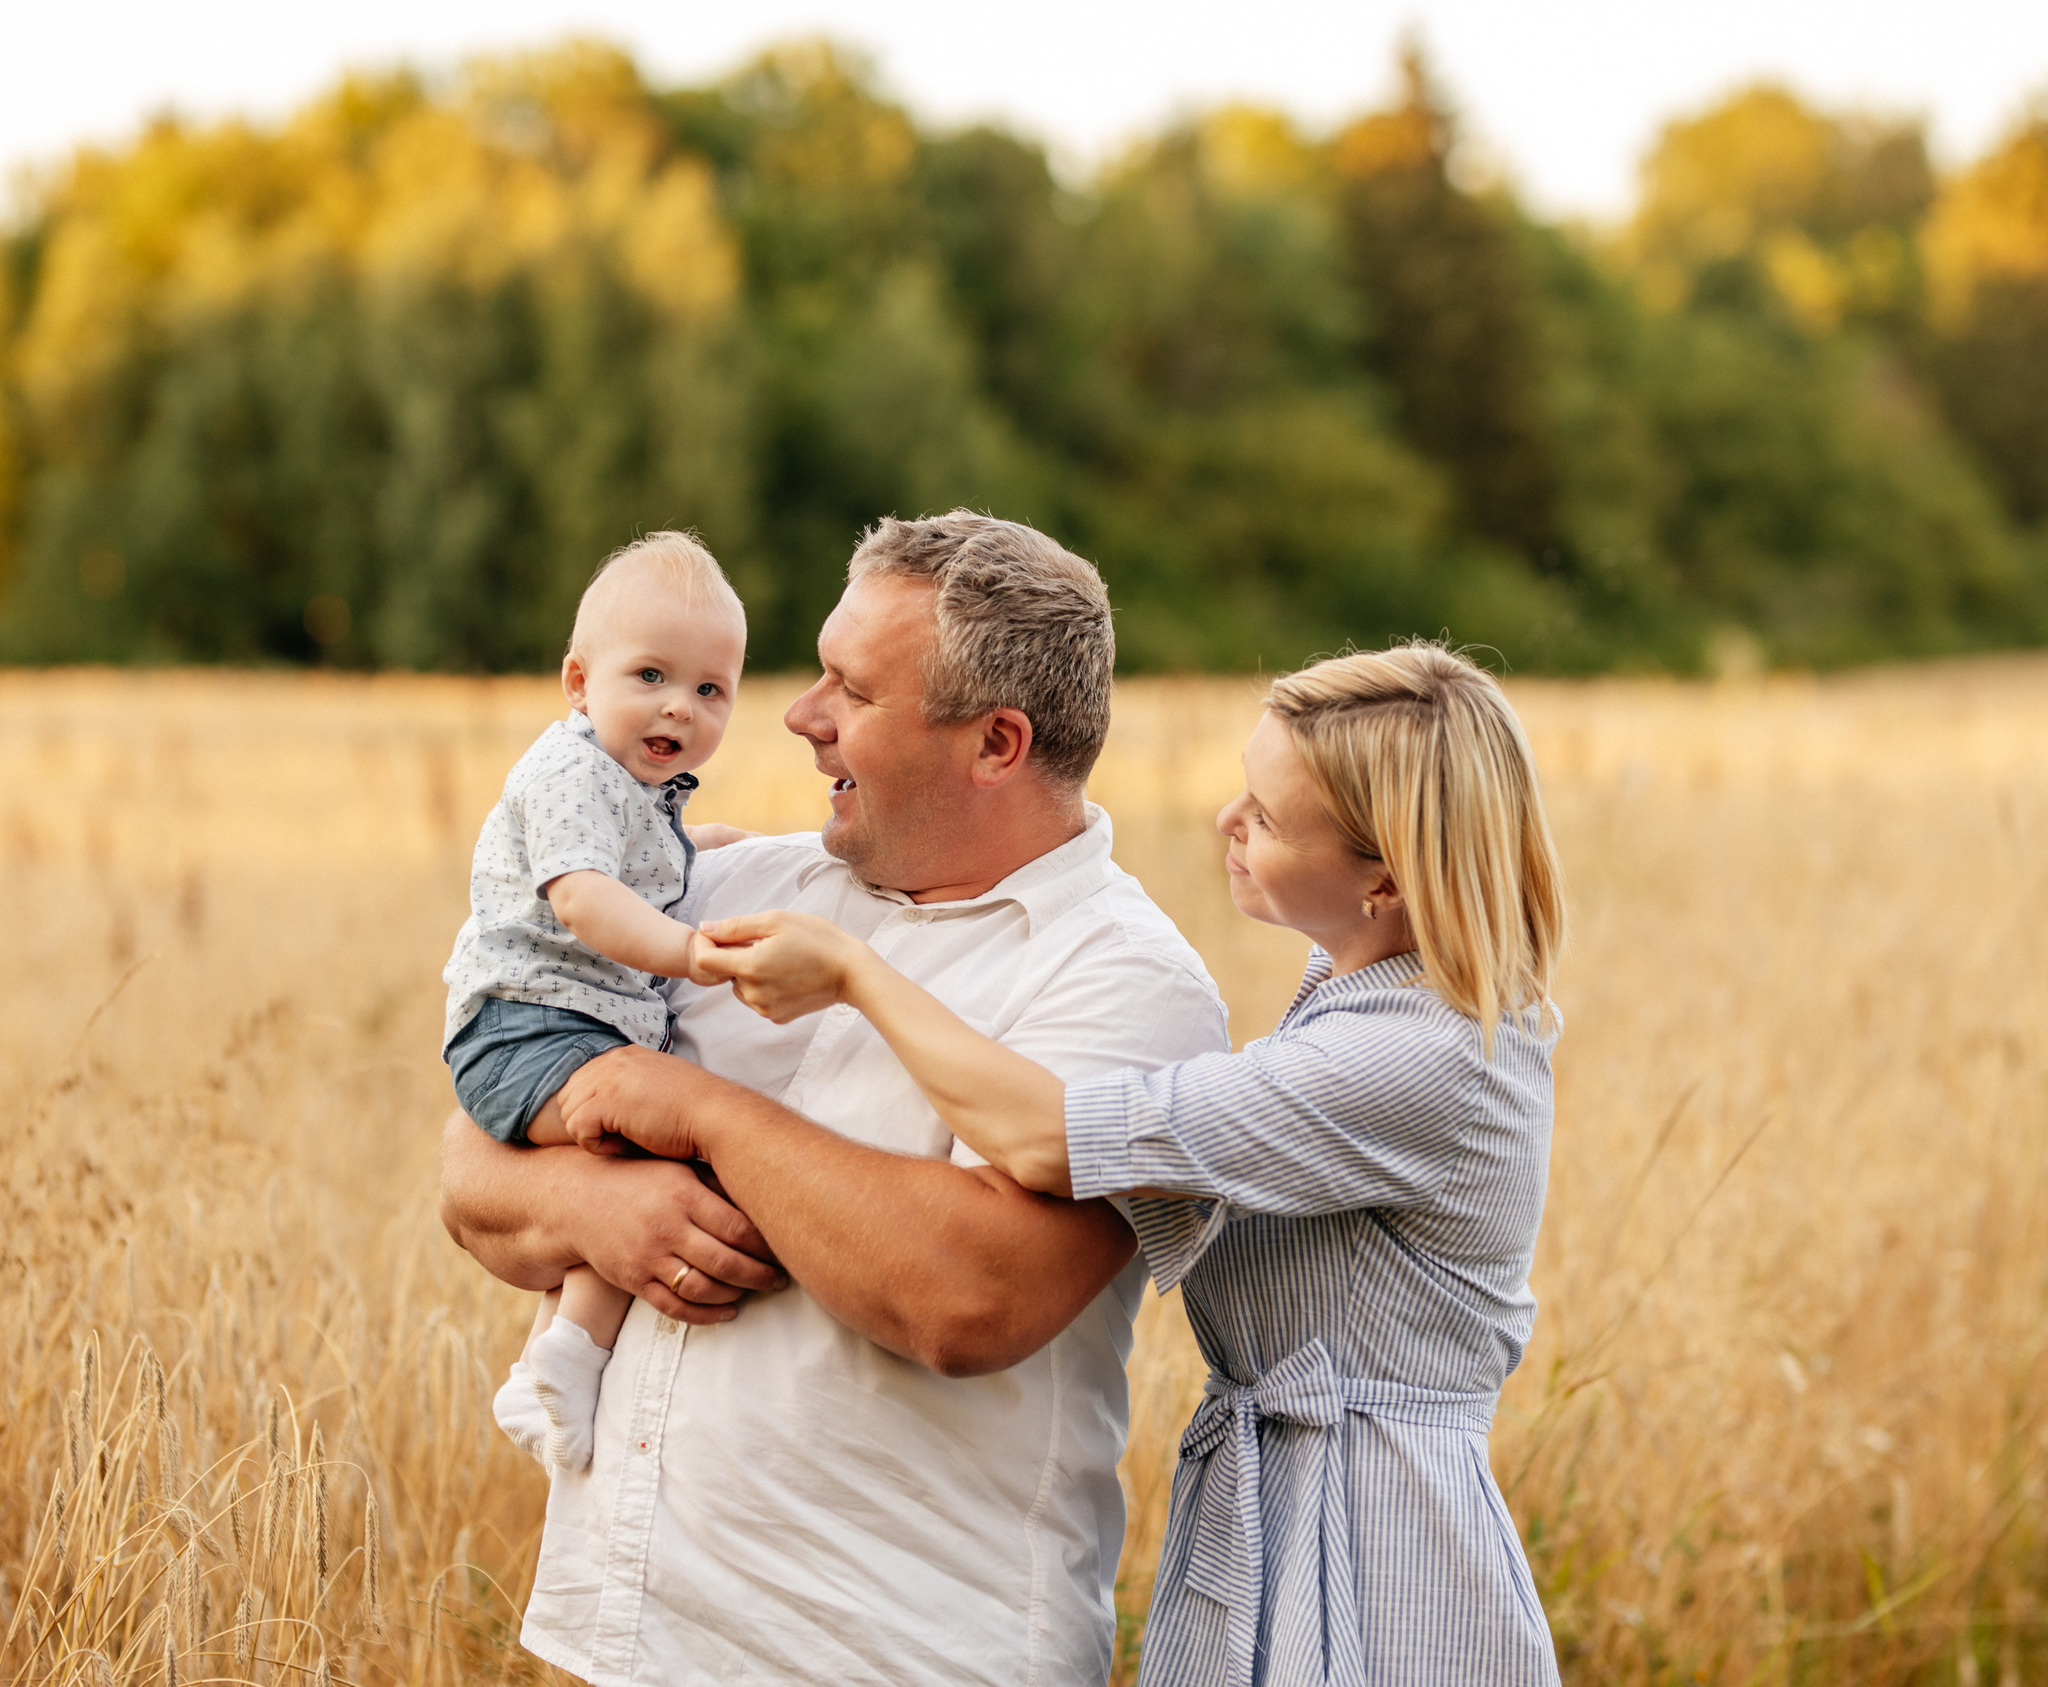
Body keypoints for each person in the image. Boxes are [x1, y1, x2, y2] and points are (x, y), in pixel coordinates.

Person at [578, 643, 1569, 1686]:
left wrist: (856, 976)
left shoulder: (1415, 1057)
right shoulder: (1361, 981)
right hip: (1274, 1490)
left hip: (1376, 1533)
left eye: (1268, 819)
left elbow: (1050, 1138)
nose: (1227, 821)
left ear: (1385, 879)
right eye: (1243, 789)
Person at [438, 511, 1230, 1687]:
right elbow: (474, 1159)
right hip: (631, 1640)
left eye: (850, 690)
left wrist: (697, 1116)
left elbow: (969, 1298)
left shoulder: (1127, 986)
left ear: (997, 743)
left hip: (897, 1651)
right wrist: (600, 1213)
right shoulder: (731, 880)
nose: (801, 716)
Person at [438, 532, 750, 1474]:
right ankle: (570, 1355)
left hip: (561, 1025)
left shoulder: (642, 786)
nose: (678, 707)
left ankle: (548, 1364)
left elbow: (665, 864)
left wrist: (754, 855)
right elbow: (585, 894)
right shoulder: (573, 770)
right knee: (654, 1136)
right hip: (526, 1026)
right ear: (578, 681)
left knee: (629, 1170)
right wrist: (689, 952)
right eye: (650, 674)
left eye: (708, 689)